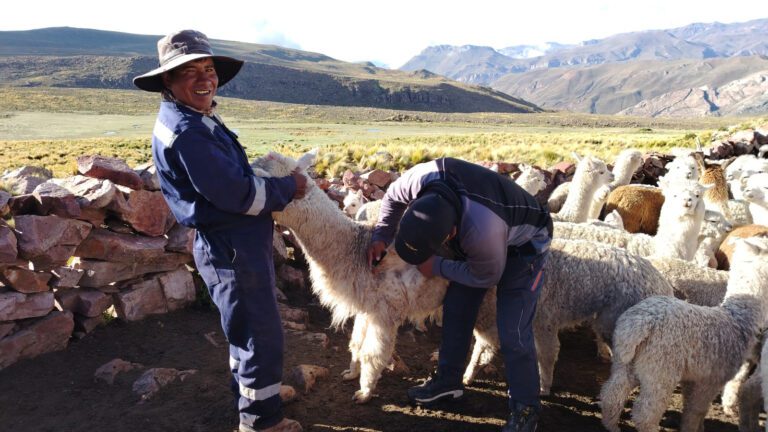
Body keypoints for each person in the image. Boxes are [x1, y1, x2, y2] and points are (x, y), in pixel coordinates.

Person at [133, 30, 306, 432]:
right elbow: (238, 193)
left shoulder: (192, 117)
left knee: (246, 328)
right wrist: (287, 188)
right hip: (231, 245)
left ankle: (254, 395)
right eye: (189, 72)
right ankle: (261, 421)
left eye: (208, 69)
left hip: (232, 243)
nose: (204, 79)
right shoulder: (190, 131)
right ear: (168, 82)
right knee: (259, 333)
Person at [366, 157, 552, 432]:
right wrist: (381, 234)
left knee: (513, 329)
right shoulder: (419, 180)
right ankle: (448, 384)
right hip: (479, 226)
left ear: (451, 233)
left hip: (525, 244)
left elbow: (487, 275)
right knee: (457, 307)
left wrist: (437, 265)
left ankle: (525, 409)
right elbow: (392, 198)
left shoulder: (482, 230)